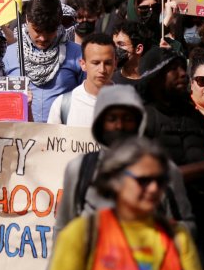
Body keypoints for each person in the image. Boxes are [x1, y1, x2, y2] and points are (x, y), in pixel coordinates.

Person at [42, 138, 204, 270]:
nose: (153, 189)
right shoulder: (80, 236)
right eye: (143, 181)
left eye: (159, 180)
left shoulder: (178, 237)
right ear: (116, 181)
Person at [54, 86, 195, 234]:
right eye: (112, 119)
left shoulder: (163, 169)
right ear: (100, 123)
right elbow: (63, 228)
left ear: (139, 122)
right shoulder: (80, 169)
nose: (119, 126)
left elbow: (187, 226)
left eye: (127, 119)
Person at [138, 48, 204, 225]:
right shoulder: (142, 120)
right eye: (173, 69)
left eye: (183, 68)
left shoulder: (195, 118)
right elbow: (151, 178)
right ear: (155, 78)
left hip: (202, 220)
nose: (183, 74)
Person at [6, 0, 83, 122]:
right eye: (37, 30)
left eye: (49, 31)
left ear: (59, 24)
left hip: (62, 137)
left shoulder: (77, 54)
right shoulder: (8, 55)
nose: (42, 38)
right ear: (27, 20)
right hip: (20, 137)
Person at [47, 33, 116, 127]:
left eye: (108, 63)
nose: (102, 70)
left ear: (115, 64)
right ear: (83, 64)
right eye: (95, 63)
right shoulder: (63, 105)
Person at [111, 20, 151, 87]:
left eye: (121, 44)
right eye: (113, 44)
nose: (114, 49)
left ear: (138, 49)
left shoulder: (154, 82)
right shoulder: (110, 82)